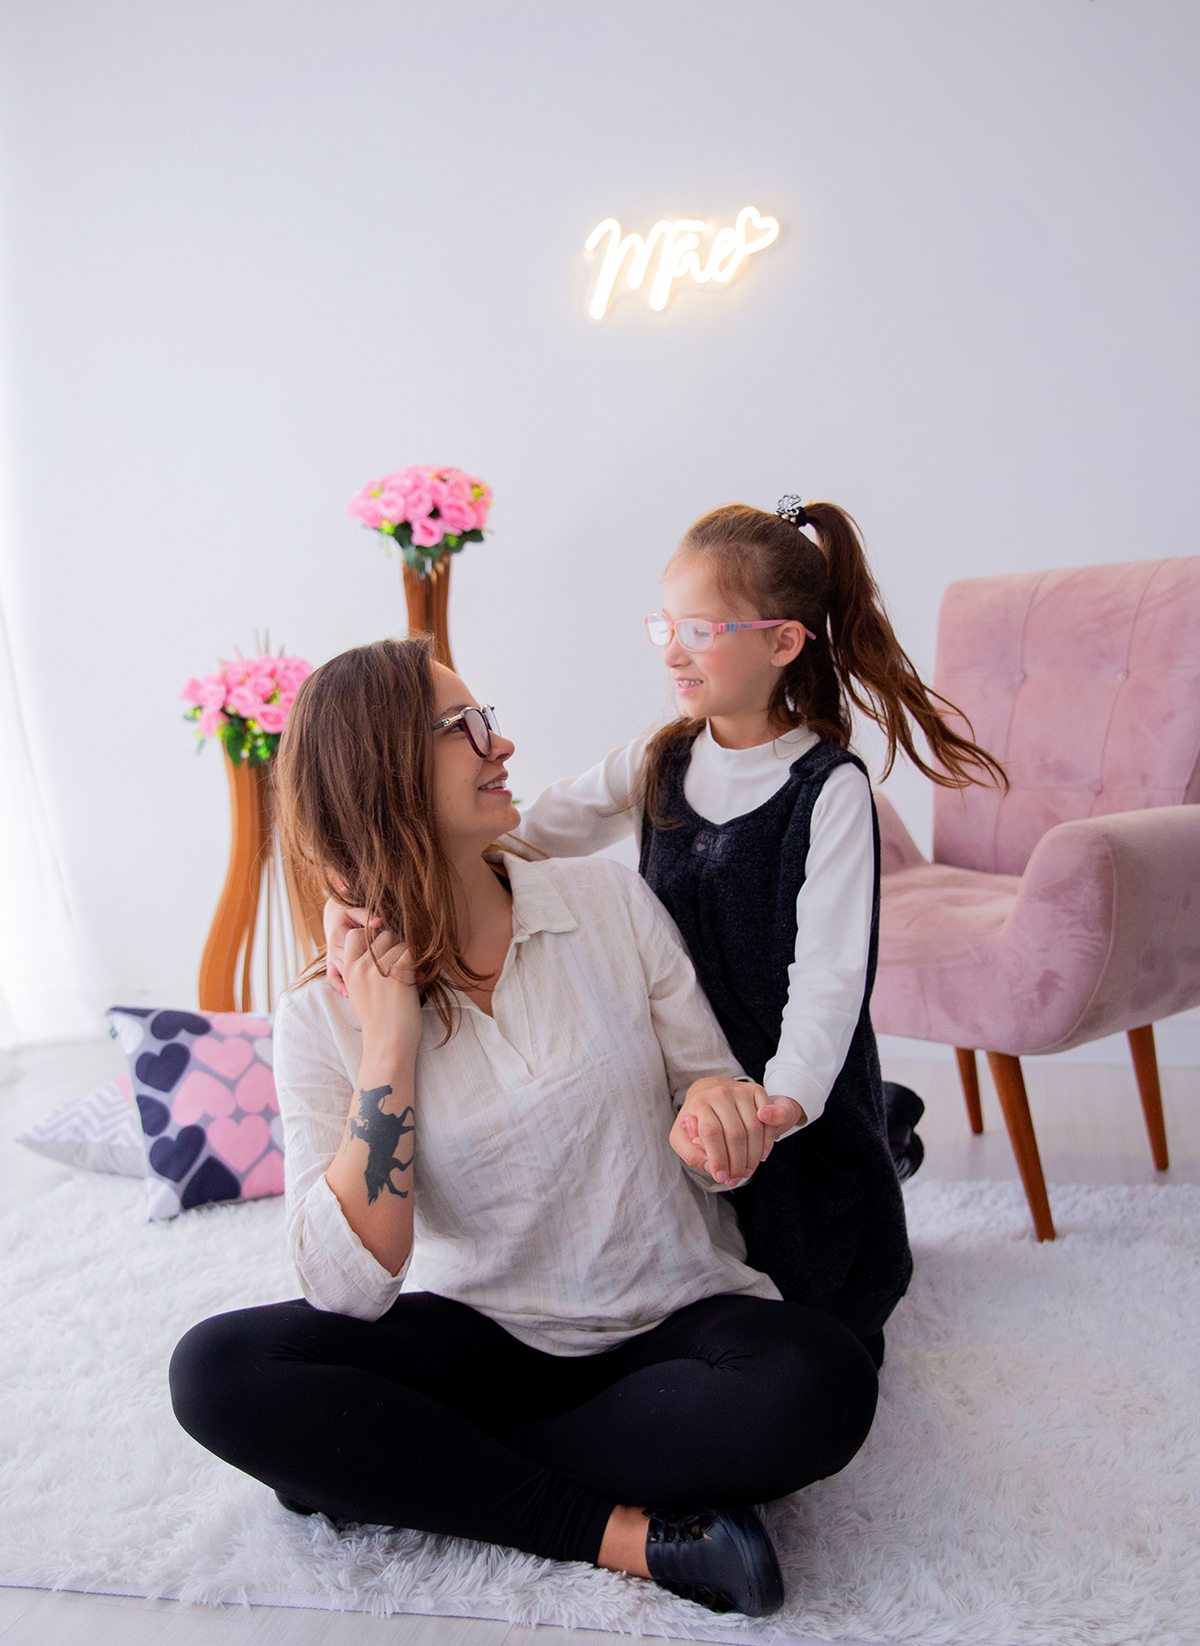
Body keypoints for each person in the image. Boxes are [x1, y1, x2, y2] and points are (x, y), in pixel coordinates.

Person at [169, 636, 880, 1619]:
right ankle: (623, 1537)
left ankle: (404, 1469)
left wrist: (719, 1113)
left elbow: (708, 1089)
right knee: (218, 1373)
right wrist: (387, 1041)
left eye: (487, 720)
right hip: (486, 1335)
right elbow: (348, 1287)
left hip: (672, 1319)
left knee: (822, 1384)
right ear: (383, 770)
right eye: (464, 728)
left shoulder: (603, 900)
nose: (500, 746)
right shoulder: (322, 1017)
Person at [326, 497, 1006, 1363]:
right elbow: (526, 834)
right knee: (713, 1258)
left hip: (779, 1067)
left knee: (827, 1311)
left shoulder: (828, 791)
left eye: (702, 629)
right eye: (666, 626)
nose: (675, 651)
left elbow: (832, 978)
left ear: (782, 642)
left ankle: (881, 1138)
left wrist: (783, 1101)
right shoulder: (664, 757)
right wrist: (371, 887)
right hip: (683, 1059)